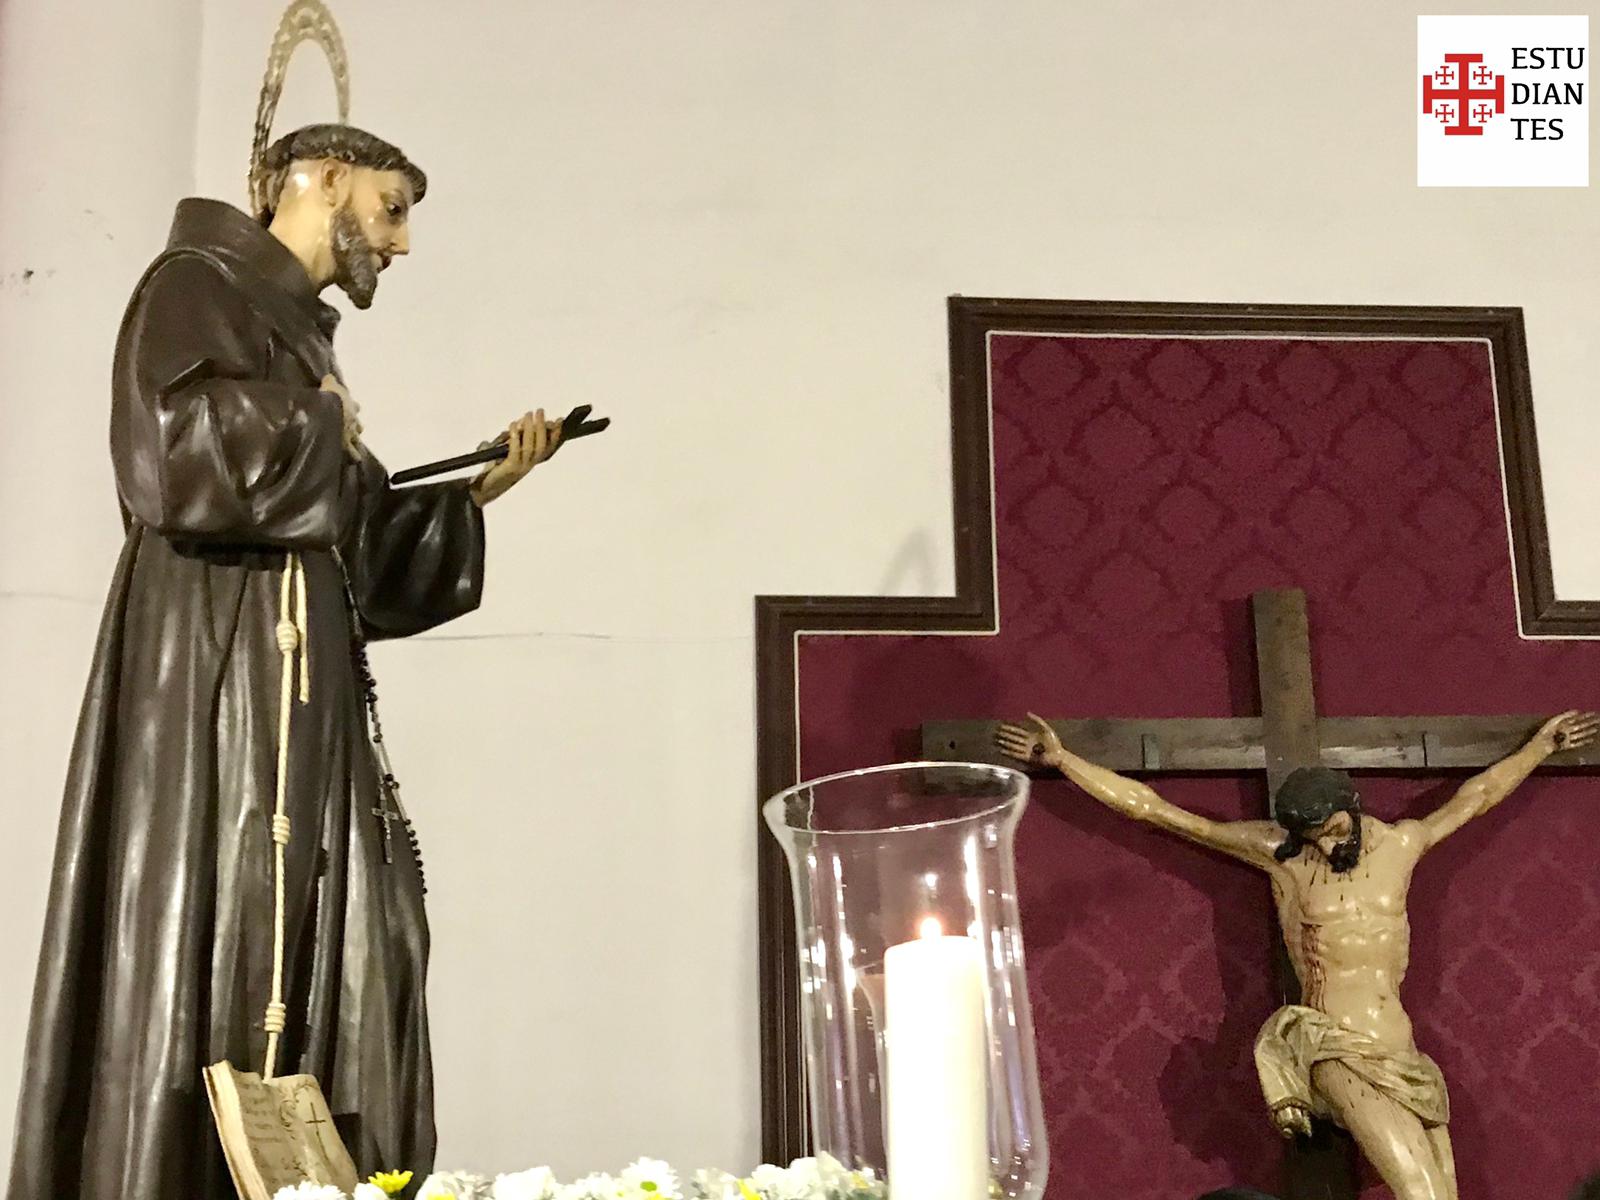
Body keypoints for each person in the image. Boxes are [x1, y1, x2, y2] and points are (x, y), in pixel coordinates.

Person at [6, 46, 566, 1200]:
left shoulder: (301, 341)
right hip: (215, 681)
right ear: (321, 179)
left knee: (373, 938)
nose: (401, 244)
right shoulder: (193, 284)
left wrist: (475, 492)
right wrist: (317, 428)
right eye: (392, 210)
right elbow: (170, 455)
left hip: (303, 703)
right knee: (215, 929)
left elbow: (346, 547)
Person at [997, 710, 1600, 1200]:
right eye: (1312, 837)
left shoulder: (1402, 844)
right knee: (1420, 1193)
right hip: (1331, 1046)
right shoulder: (1279, 857)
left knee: (1443, 1193)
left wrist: (1541, 747)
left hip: (1401, 1050)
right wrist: (1063, 760)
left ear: (1352, 807)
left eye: (1334, 830)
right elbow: (1153, 810)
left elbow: (1480, 794)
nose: (1327, 846)